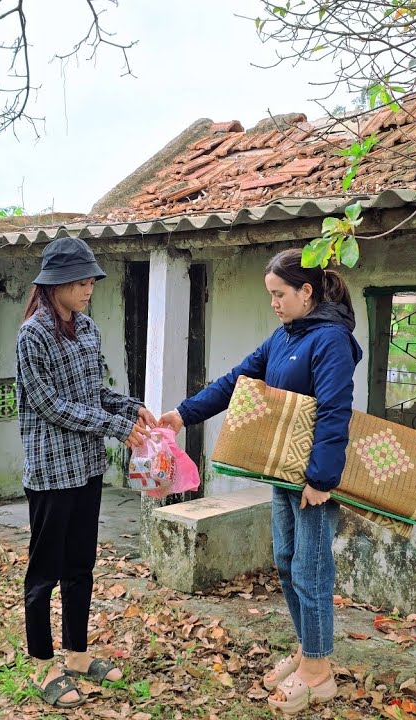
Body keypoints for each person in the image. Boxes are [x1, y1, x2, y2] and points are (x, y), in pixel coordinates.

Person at [159, 248, 362, 715]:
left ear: (306, 292)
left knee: (311, 569)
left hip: (312, 478)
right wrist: (182, 415)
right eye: (270, 295)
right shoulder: (286, 336)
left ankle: (319, 673)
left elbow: (335, 410)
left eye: (279, 294)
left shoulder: (330, 340)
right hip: (283, 473)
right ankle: (308, 649)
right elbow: (236, 381)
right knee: (288, 561)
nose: (273, 302)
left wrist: (322, 478)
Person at [15, 236, 155, 709]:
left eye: (91, 278)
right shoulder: (32, 335)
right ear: (55, 286)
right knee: (44, 571)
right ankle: (42, 664)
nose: (89, 286)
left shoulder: (88, 329)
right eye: (80, 280)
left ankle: (76, 654)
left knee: (80, 565)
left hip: (86, 467)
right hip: (52, 472)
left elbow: (96, 391)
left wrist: (133, 409)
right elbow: (52, 406)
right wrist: (116, 426)